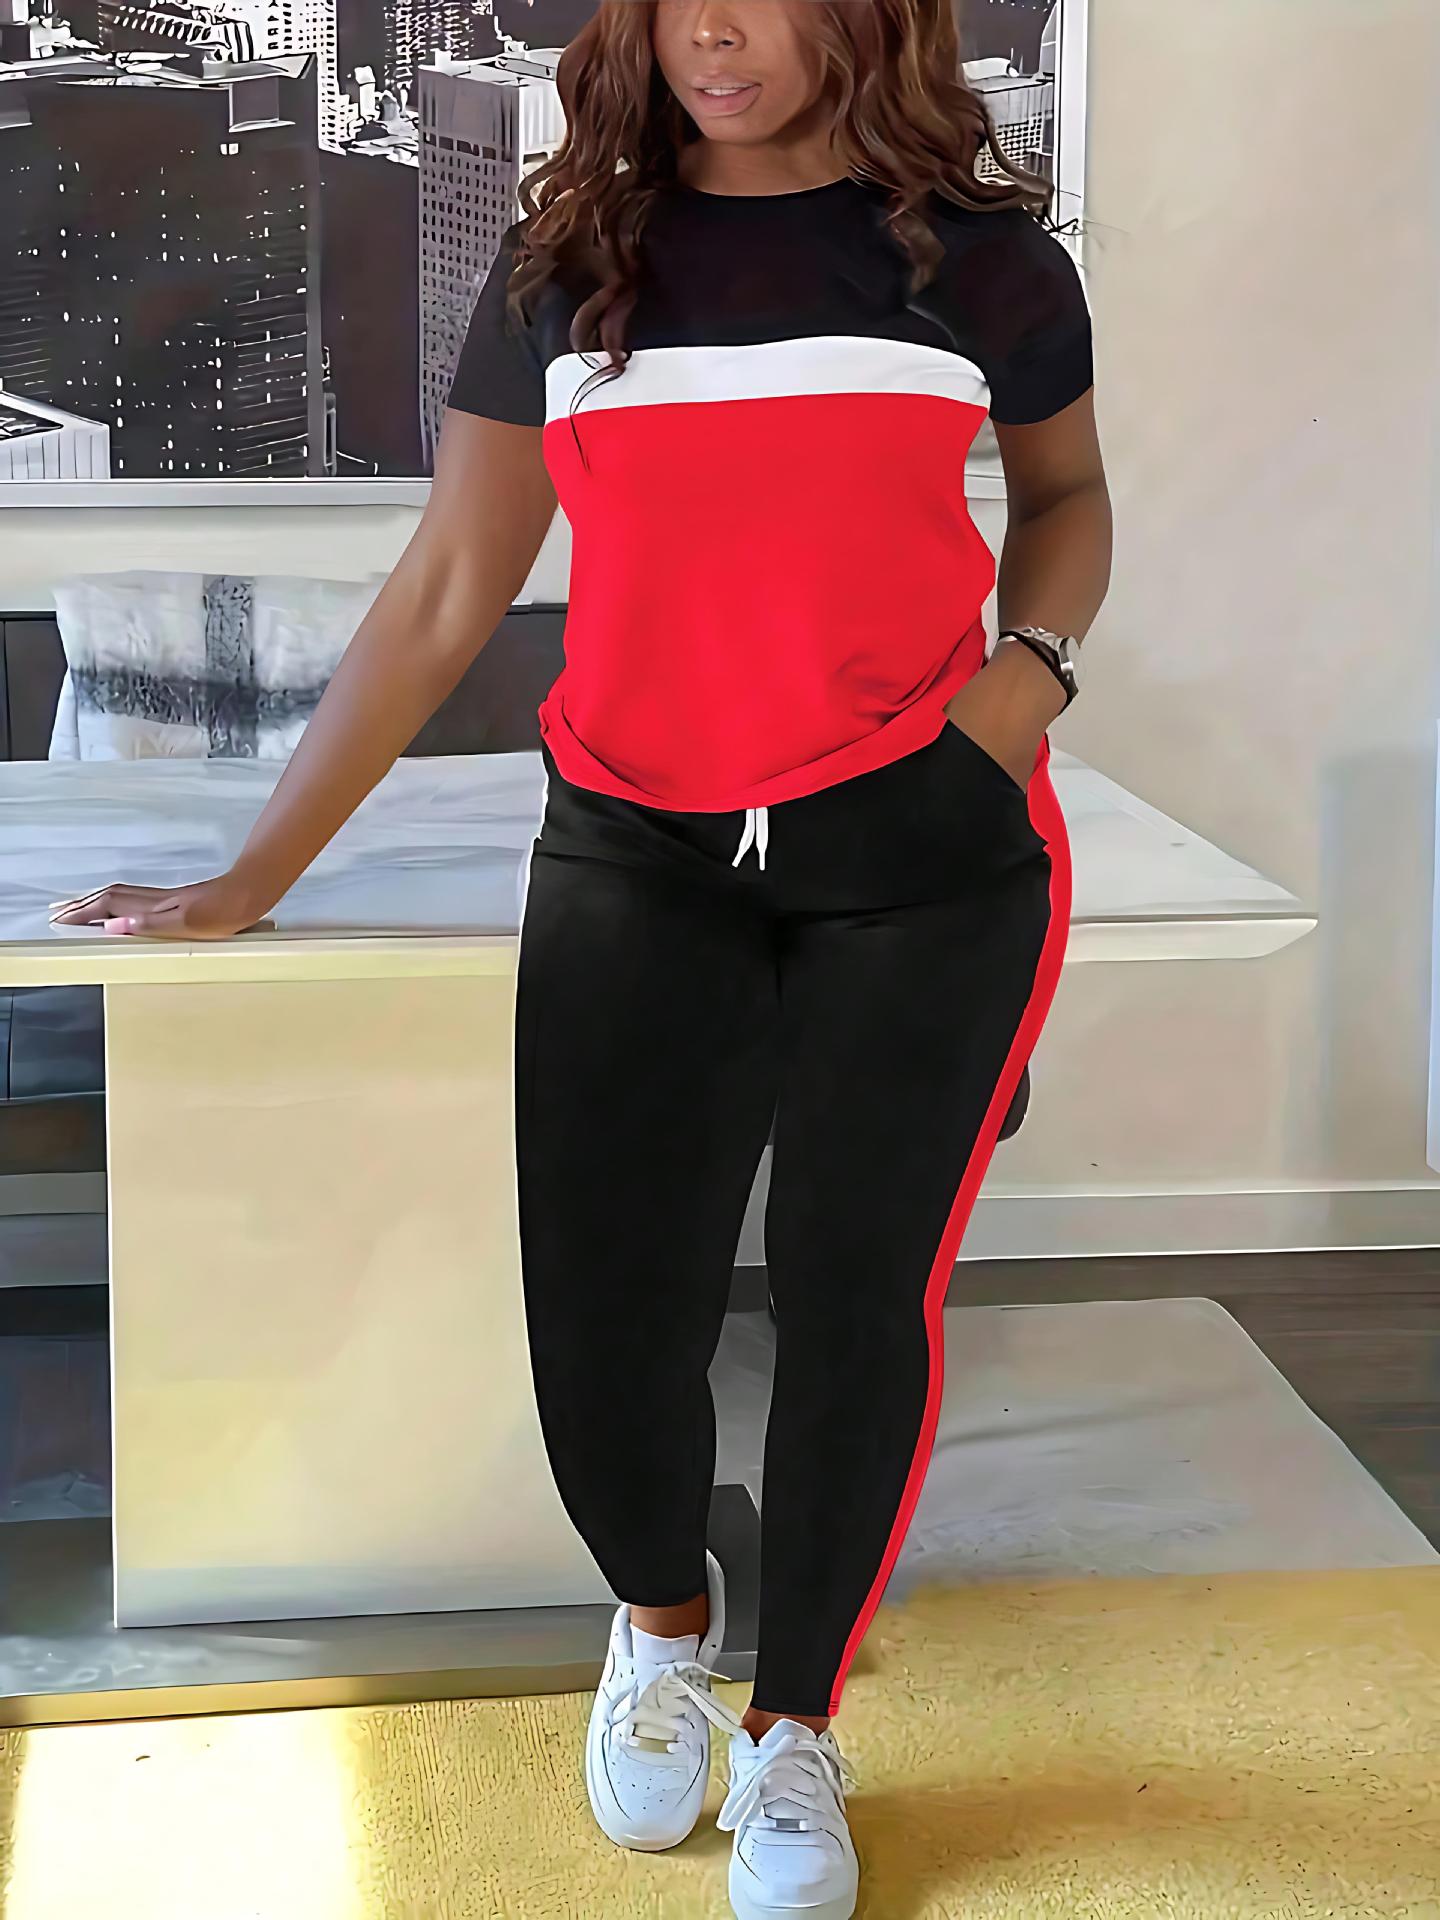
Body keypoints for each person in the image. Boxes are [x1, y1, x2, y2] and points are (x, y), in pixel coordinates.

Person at [52, 2, 1111, 1912]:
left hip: (924, 856)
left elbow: (1067, 501)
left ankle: (796, 1732)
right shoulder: (573, 263)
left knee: (858, 1299)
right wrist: (253, 867)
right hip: (636, 849)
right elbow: (452, 584)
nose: (714, 28)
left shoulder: (982, 262)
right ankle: (660, 1622)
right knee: (608, 1318)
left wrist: (1015, 699)